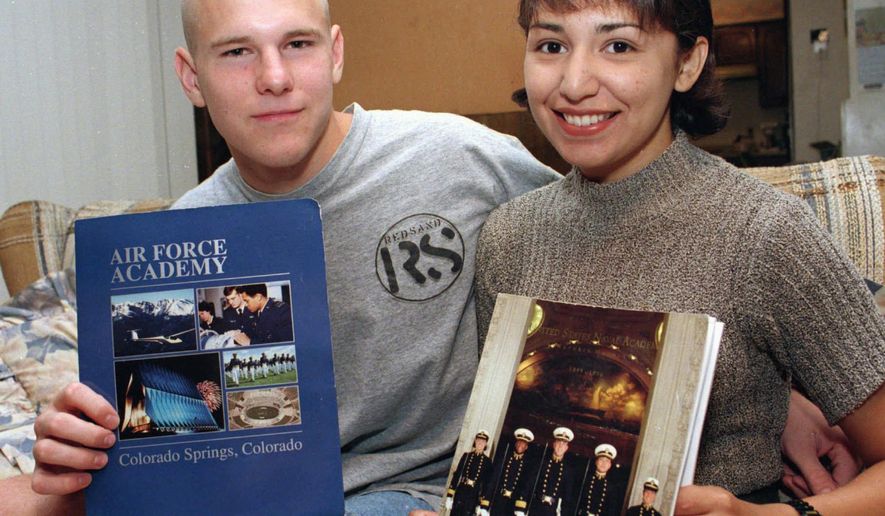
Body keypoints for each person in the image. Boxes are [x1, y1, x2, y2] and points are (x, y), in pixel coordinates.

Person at [24, 0, 559, 514]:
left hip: (438, 487)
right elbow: (183, 436)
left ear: (335, 54)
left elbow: (597, 236)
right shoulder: (182, 238)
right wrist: (91, 451)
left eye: (297, 43)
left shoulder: (461, 158)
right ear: (191, 78)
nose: (274, 77)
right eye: (237, 52)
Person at [475, 0, 885, 514]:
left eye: (619, 46)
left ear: (687, 64)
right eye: (551, 46)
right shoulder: (507, 239)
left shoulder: (764, 233)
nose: (574, 83)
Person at [519, 427, 577, 516]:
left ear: (566, 448)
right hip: (535, 507)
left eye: (563, 444)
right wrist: (521, 508)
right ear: (554, 444)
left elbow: (567, 498)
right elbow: (528, 485)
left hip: (552, 511)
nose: (560, 446)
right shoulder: (542, 462)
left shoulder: (568, 470)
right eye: (558, 443)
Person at [479, 427, 536, 515]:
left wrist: (521, 508)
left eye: (523, 443)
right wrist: (485, 503)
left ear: (526, 447)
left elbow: (526, 487)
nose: (520, 444)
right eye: (519, 441)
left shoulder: (528, 464)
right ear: (516, 443)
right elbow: (493, 481)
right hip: (498, 500)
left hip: (513, 504)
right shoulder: (505, 458)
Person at [445, 430, 493, 516]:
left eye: (483, 442)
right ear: (475, 441)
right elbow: (457, 474)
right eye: (478, 440)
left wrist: (482, 505)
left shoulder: (487, 462)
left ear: (486, 444)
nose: (480, 443)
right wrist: (449, 496)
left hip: (473, 495)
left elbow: (486, 484)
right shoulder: (466, 456)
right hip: (461, 491)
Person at [576, 444, 623, 516]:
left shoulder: (612, 487)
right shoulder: (585, 480)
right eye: (601, 459)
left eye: (607, 461)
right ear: (596, 462)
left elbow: (612, 511)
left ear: (610, 465)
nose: (604, 463)